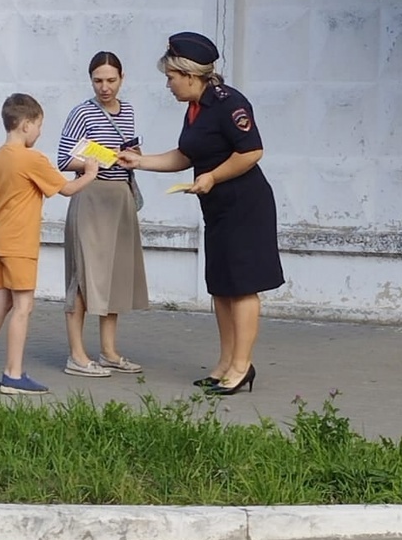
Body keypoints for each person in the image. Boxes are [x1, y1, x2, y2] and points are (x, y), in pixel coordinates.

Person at [117, 32, 284, 394]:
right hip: (217, 209)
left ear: (190, 75)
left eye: (171, 77)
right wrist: (140, 161)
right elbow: (185, 155)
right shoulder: (195, 109)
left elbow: (252, 152)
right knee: (221, 289)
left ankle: (242, 366)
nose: (168, 85)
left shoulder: (228, 103)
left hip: (245, 205)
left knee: (242, 288)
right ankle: (224, 363)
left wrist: (212, 176)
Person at [0, 92, 99, 395]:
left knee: (2, 301)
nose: (39, 132)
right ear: (26, 124)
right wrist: (90, 172)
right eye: (39, 125)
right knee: (23, 305)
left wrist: (7, 208)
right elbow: (66, 189)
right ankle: (13, 373)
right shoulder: (32, 159)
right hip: (19, 242)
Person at [57, 51, 149, 378]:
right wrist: (96, 162)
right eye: (98, 80)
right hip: (91, 198)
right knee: (83, 275)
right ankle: (77, 355)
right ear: (90, 80)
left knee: (113, 275)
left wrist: (130, 156)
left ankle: (109, 351)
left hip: (120, 198)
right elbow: (63, 158)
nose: (105, 87)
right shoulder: (82, 112)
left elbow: (128, 154)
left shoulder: (128, 112)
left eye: (111, 80)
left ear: (122, 79)